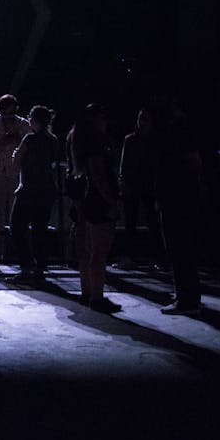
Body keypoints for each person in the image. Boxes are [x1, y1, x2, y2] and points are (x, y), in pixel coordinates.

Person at [149, 98, 205, 315]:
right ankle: (188, 296)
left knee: (179, 249)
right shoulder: (179, 131)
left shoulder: (177, 133)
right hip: (178, 197)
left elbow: (192, 161)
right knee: (183, 250)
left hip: (176, 199)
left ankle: (186, 300)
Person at [69, 104, 120, 312]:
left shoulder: (79, 142)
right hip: (99, 200)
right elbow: (100, 177)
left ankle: (87, 292)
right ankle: (97, 297)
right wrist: (111, 201)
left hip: (89, 199)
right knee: (100, 251)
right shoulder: (96, 148)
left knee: (87, 250)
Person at [0, 94, 31, 269]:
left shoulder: (24, 124)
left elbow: (30, 148)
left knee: (20, 217)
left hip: (17, 174)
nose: (10, 118)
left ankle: (20, 256)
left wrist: (17, 138)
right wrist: (4, 140)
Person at [10, 105, 61, 278]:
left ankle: (26, 265)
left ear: (34, 119)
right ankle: (40, 266)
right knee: (40, 229)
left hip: (28, 189)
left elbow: (17, 160)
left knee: (17, 227)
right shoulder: (53, 140)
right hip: (47, 190)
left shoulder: (29, 139)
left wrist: (15, 156)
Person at [118, 108, 163, 264]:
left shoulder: (150, 141)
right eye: (141, 119)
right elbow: (124, 164)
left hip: (147, 185)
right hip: (135, 184)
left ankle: (158, 256)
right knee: (132, 221)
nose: (143, 123)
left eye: (146, 119)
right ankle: (133, 255)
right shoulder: (131, 140)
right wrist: (123, 182)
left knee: (151, 222)